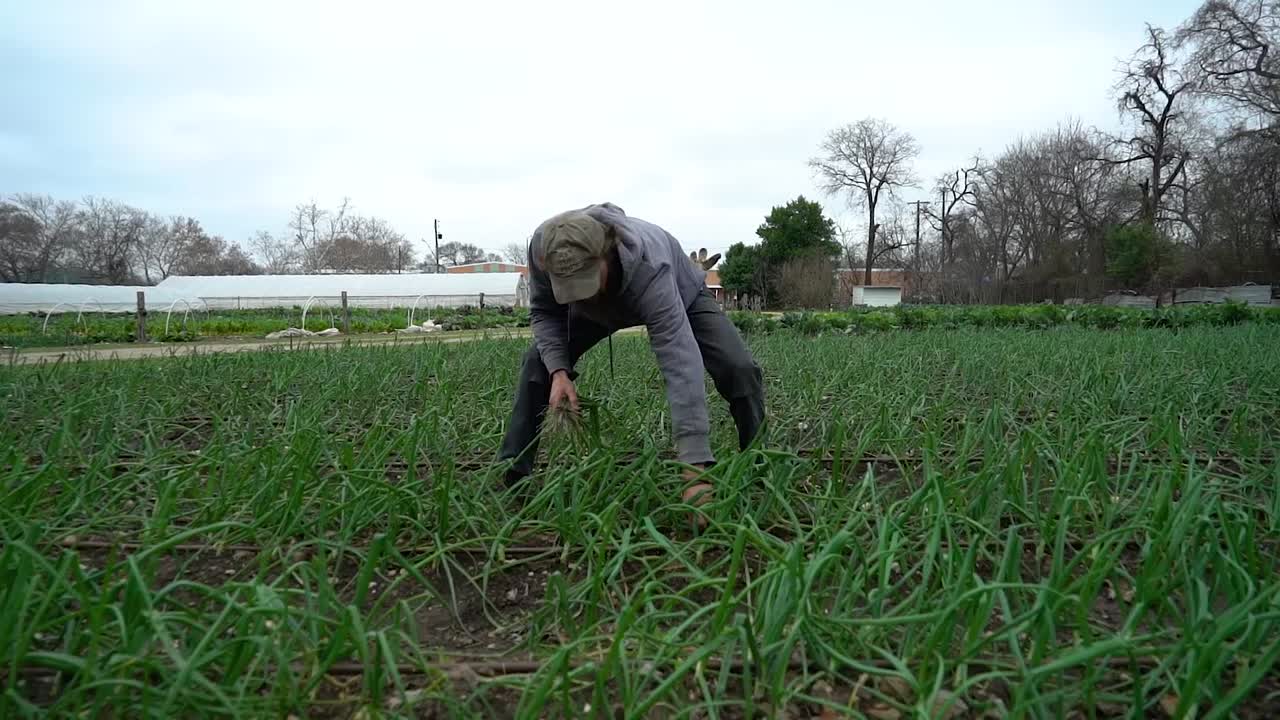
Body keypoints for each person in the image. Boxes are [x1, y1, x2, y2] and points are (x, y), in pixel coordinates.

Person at [497, 202, 765, 505]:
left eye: (585, 281)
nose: (580, 291)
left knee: (738, 367)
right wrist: (558, 372)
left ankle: (758, 461)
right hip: (593, 313)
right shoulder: (543, 251)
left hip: (681, 294)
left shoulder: (651, 265)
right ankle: (513, 476)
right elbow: (545, 312)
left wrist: (695, 468)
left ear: (605, 253)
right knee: (538, 363)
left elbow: (679, 358)